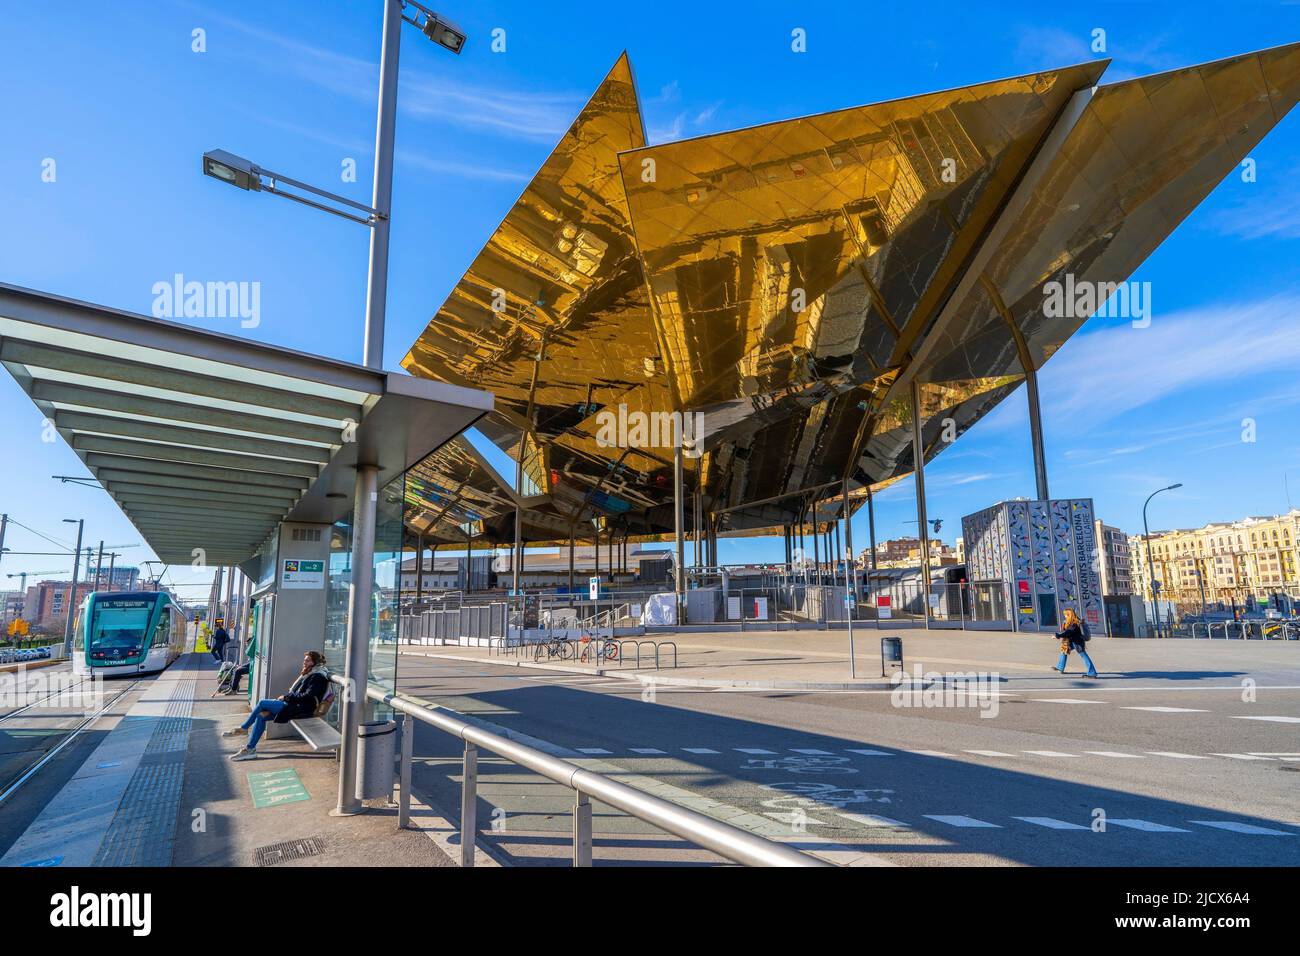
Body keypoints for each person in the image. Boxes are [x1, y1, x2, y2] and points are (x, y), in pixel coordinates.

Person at [223, 651, 330, 760]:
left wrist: (286, 697)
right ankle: (250, 749)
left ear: (314, 663)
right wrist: (287, 698)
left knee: (262, 703)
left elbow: (308, 696)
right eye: (304, 660)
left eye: (307, 660)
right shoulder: (310, 673)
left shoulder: (317, 677)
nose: (304, 662)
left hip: (301, 708)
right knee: (261, 716)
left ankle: (244, 728)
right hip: (295, 704)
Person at [1052, 607, 1099, 678]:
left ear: (1069, 615)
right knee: (1064, 651)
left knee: (1084, 656)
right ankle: (1060, 667)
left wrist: (1057, 635)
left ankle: (1092, 673)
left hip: (1078, 643)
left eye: (1066, 615)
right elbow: (1067, 631)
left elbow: (1068, 632)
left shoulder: (1074, 623)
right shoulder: (1072, 622)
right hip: (1073, 642)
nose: (1065, 616)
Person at [222, 631, 257, 696]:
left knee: (238, 671)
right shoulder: (251, 649)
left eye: (248, 645)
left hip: (254, 665)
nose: (247, 646)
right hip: (251, 663)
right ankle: (231, 687)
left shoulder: (253, 649)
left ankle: (234, 690)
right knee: (235, 668)